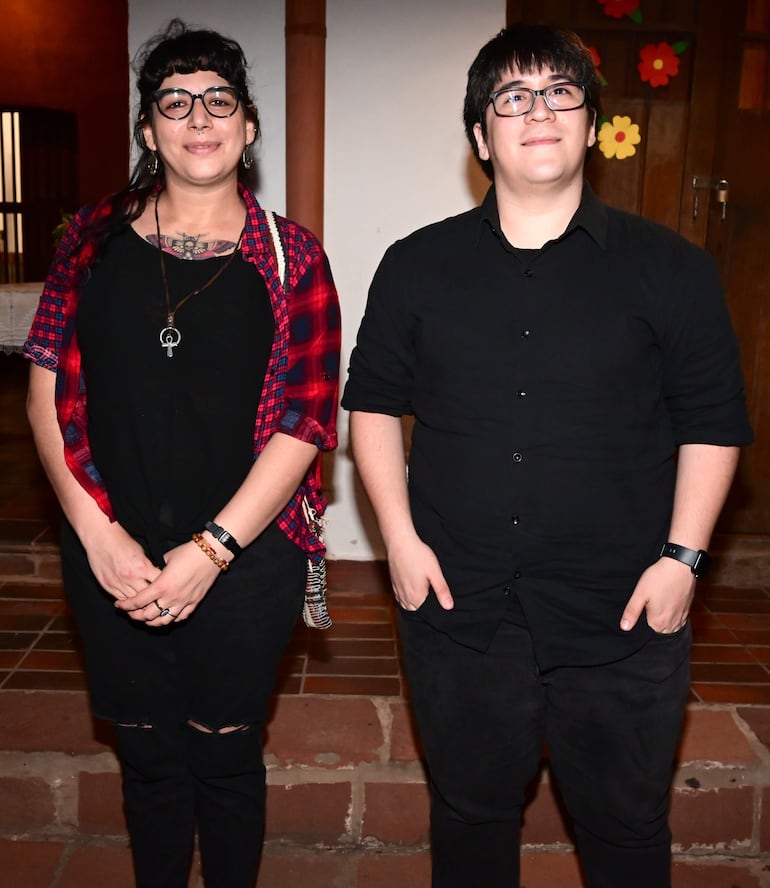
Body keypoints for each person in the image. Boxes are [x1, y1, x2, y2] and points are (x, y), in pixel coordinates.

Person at [342, 23, 752, 888]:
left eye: (561, 92)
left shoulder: (672, 271)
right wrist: (400, 545)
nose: (540, 110)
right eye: (513, 96)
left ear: (593, 124)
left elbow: (713, 421)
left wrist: (684, 558)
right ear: (479, 136)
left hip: (625, 609)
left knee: (624, 825)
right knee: (468, 815)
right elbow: (372, 405)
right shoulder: (416, 266)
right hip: (458, 603)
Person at [24, 19, 340, 888]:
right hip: (109, 548)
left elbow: (307, 422)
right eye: (174, 103)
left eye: (219, 102)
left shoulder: (293, 258)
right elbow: (47, 391)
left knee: (226, 759)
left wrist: (211, 551)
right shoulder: (87, 242)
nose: (198, 119)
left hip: (246, 558)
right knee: (150, 759)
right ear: (148, 129)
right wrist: (97, 536)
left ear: (246, 128)